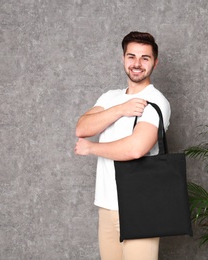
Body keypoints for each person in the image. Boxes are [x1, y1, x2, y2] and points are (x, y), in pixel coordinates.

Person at [74, 31, 171, 260]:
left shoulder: (156, 102)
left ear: (155, 62)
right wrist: (120, 109)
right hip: (107, 205)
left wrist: (91, 148)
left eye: (145, 58)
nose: (137, 64)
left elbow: (135, 148)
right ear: (123, 59)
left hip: (140, 206)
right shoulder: (110, 97)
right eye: (131, 56)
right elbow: (83, 128)